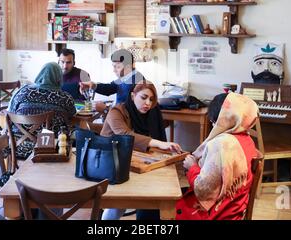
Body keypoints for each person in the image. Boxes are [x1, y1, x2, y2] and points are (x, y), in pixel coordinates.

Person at [100, 81, 182, 220]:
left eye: (151, 99)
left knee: (149, 192)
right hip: (109, 162)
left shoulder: (150, 114)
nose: (148, 103)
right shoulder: (116, 112)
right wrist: (160, 143)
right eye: (143, 98)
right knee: (118, 205)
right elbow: (125, 135)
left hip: (129, 161)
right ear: (132, 96)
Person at [176, 92, 258, 220]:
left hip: (218, 213)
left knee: (161, 202)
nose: (212, 123)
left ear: (222, 118)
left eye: (214, 120)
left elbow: (204, 191)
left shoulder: (220, 144)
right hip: (236, 208)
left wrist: (191, 167)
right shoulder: (248, 140)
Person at [7, 62, 76, 159]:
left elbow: (10, 113)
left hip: (19, 148)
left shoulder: (22, 92)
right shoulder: (65, 98)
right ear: (59, 77)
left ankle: (13, 167)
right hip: (51, 149)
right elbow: (72, 115)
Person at [79, 49, 145, 104]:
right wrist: (93, 85)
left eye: (118, 67)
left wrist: (105, 109)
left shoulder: (136, 82)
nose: (114, 70)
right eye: (113, 66)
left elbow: (129, 110)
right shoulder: (127, 77)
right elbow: (110, 88)